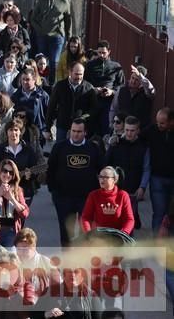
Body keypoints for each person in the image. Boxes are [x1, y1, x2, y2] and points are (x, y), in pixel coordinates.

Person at [47, 117, 101, 246]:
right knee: (65, 232)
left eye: (79, 131)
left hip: (86, 198)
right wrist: (53, 191)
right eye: (73, 131)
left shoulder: (93, 148)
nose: (76, 134)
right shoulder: (60, 147)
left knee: (86, 231)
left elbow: (101, 169)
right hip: (63, 197)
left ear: (85, 132)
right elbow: (51, 169)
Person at [29, 0, 71, 84]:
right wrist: (40, 30)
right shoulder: (41, 1)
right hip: (42, 36)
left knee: (54, 61)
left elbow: (68, 20)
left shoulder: (64, 2)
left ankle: (52, 84)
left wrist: (68, 36)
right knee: (42, 60)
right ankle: (40, 82)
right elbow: (33, 18)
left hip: (57, 36)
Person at [0, 159, 29, 247]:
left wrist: (12, 198)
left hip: (10, 230)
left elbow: (24, 214)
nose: (7, 175)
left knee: (8, 258)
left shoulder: (17, 190)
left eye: (11, 173)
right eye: (5, 171)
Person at [46, 62, 98, 142]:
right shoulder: (60, 86)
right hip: (63, 127)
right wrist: (48, 128)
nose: (79, 77)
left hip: (80, 128)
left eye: (81, 74)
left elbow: (93, 109)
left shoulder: (89, 88)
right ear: (70, 72)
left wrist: (82, 118)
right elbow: (51, 107)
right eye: (76, 74)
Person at [84, 40, 125, 136]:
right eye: (99, 53)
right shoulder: (90, 65)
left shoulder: (116, 66)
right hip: (93, 102)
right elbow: (84, 83)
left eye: (104, 53)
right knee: (91, 131)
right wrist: (94, 90)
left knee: (106, 130)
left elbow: (121, 85)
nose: (101, 55)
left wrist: (112, 91)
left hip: (109, 104)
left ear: (109, 52)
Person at [81, 166, 134, 235]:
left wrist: (123, 234)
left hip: (118, 236)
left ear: (115, 179)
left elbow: (129, 219)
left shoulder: (123, 195)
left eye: (106, 177)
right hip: (98, 236)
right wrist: (88, 234)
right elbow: (86, 217)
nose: (102, 180)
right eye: (100, 177)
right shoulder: (93, 195)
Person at [146, 107, 174, 231]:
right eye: (157, 122)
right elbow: (136, 137)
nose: (159, 125)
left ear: (171, 122)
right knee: (159, 213)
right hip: (157, 178)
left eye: (162, 123)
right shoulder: (152, 130)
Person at [109, 64, 155, 129]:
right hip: (123, 128)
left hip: (140, 129)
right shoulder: (121, 90)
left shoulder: (146, 93)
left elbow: (151, 90)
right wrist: (111, 123)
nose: (133, 81)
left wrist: (140, 76)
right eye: (132, 78)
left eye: (137, 80)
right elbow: (114, 108)